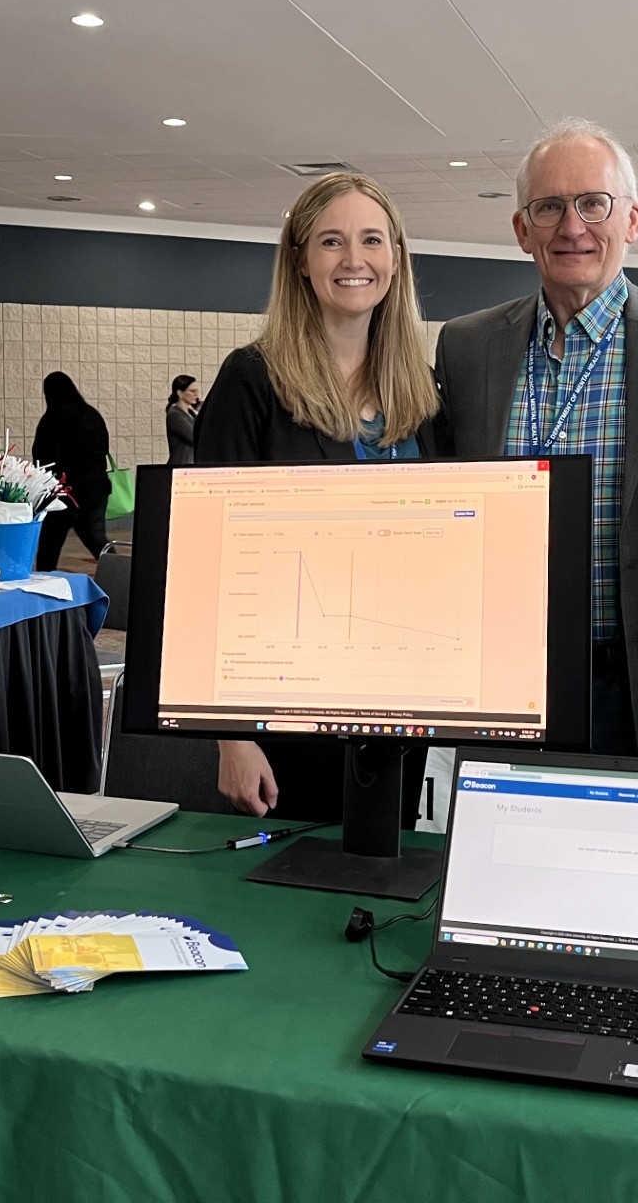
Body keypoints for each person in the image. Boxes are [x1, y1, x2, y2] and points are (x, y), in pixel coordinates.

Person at [436, 118, 638, 759]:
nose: (572, 226)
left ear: (632, 220)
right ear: (520, 230)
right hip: (504, 678)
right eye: (549, 207)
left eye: (594, 203)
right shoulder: (467, 345)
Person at [196, 173, 443, 822]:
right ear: (301, 261)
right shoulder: (253, 381)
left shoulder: (422, 397)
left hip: (401, 697)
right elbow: (206, 562)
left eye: (372, 240)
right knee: (289, 886)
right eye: (332, 242)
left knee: (382, 868)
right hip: (284, 701)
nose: (354, 260)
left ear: (396, 257)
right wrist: (232, 734)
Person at [30, 370, 112, 570]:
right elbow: (104, 448)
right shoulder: (91, 414)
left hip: (64, 493)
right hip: (95, 490)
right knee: (97, 540)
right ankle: (121, 575)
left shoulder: (53, 418)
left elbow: (44, 457)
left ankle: (45, 583)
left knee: (50, 543)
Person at [165, 375, 199, 465]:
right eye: (192, 391)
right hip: (180, 465)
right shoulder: (175, 414)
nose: (196, 395)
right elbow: (194, 437)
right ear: (180, 393)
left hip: (189, 465)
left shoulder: (191, 414)